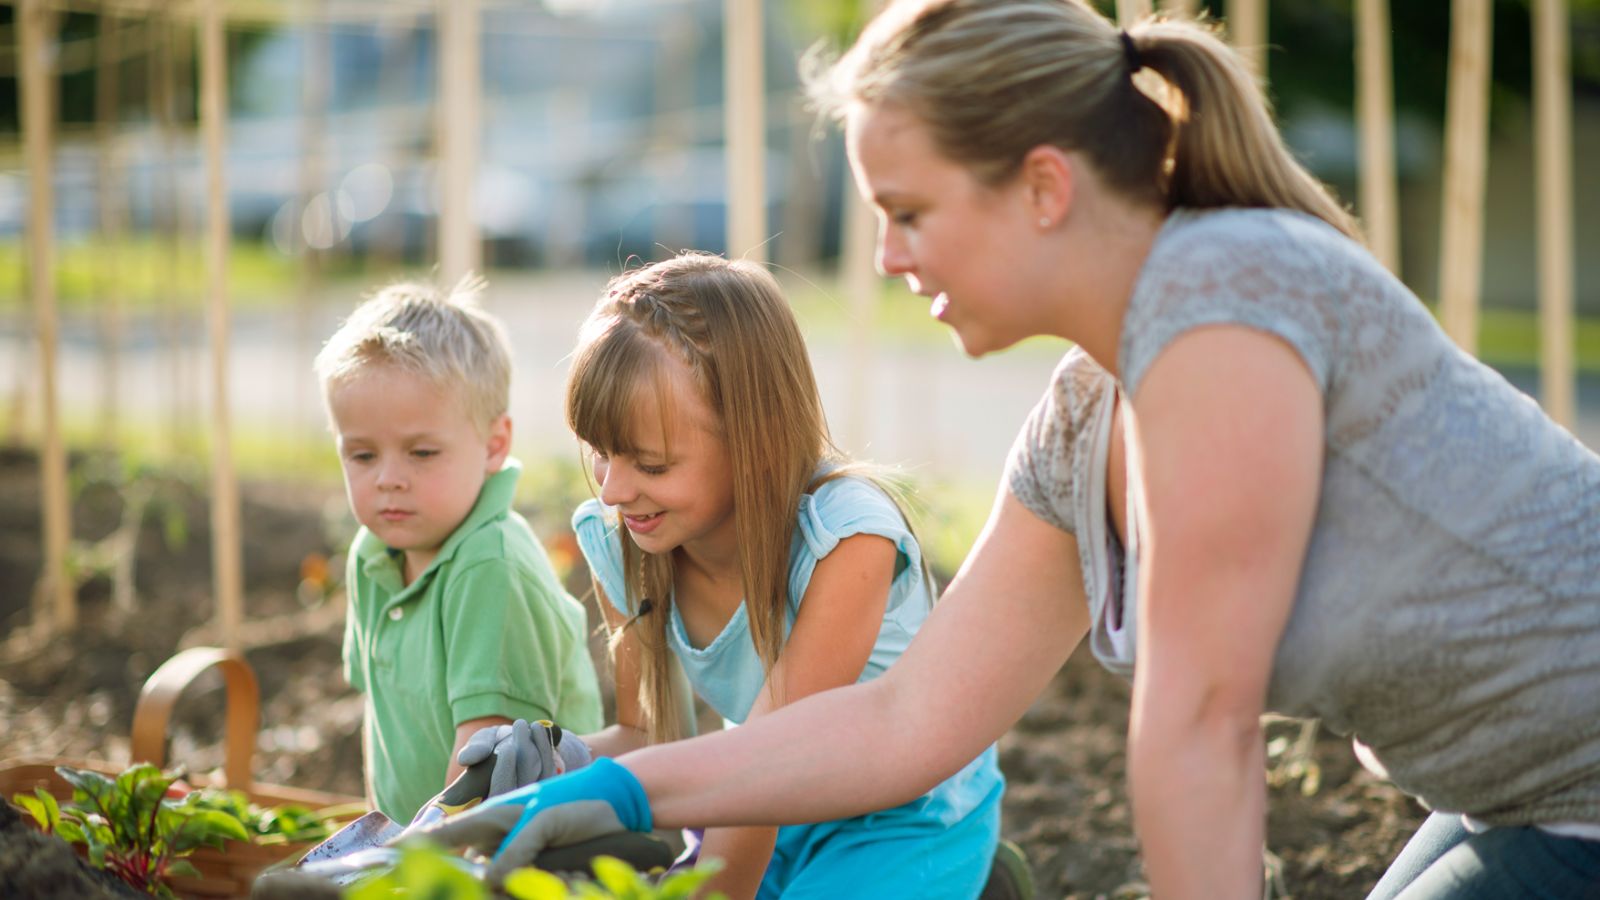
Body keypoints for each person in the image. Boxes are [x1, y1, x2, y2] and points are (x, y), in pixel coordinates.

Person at [422, 1, 1600, 897]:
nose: (884, 256)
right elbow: (903, 725)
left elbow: (1198, 730)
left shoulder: (1227, 301)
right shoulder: (1084, 420)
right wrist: (619, 786)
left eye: (909, 211)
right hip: (1515, 793)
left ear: (1042, 187)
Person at [552, 252, 1003, 899]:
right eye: (601, 452)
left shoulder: (847, 540)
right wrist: (550, 768)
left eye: (650, 465)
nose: (616, 490)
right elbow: (650, 736)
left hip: (904, 814)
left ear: (753, 437)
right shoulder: (623, 541)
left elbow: (778, 761)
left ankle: (984, 881)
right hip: (764, 805)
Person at [315, 278, 604, 824]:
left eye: (422, 452)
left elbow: (485, 767)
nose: (389, 479)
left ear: (494, 445)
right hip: (424, 846)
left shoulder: (488, 564)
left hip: (527, 847)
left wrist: (420, 865)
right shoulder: (372, 554)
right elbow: (382, 719)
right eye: (361, 455)